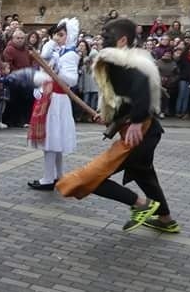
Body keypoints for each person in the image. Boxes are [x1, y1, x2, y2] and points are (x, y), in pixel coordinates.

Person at [57, 18, 178, 233]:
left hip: (140, 133)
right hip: (145, 132)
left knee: (88, 178)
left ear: (122, 40)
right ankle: (166, 220)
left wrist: (138, 120)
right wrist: (110, 118)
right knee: (145, 176)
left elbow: (142, 84)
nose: (102, 40)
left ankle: (142, 205)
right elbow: (127, 97)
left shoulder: (121, 60)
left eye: (106, 36)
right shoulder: (131, 58)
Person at [27, 18, 80, 191]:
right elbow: (43, 62)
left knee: (51, 139)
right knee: (53, 140)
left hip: (57, 99)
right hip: (51, 97)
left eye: (62, 34)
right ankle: (57, 176)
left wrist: (58, 71)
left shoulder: (70, 54)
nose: (58, 38)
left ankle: (49, 178)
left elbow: (72, 79)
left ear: (69, 36)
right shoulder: (60, 51)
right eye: (57, 34)